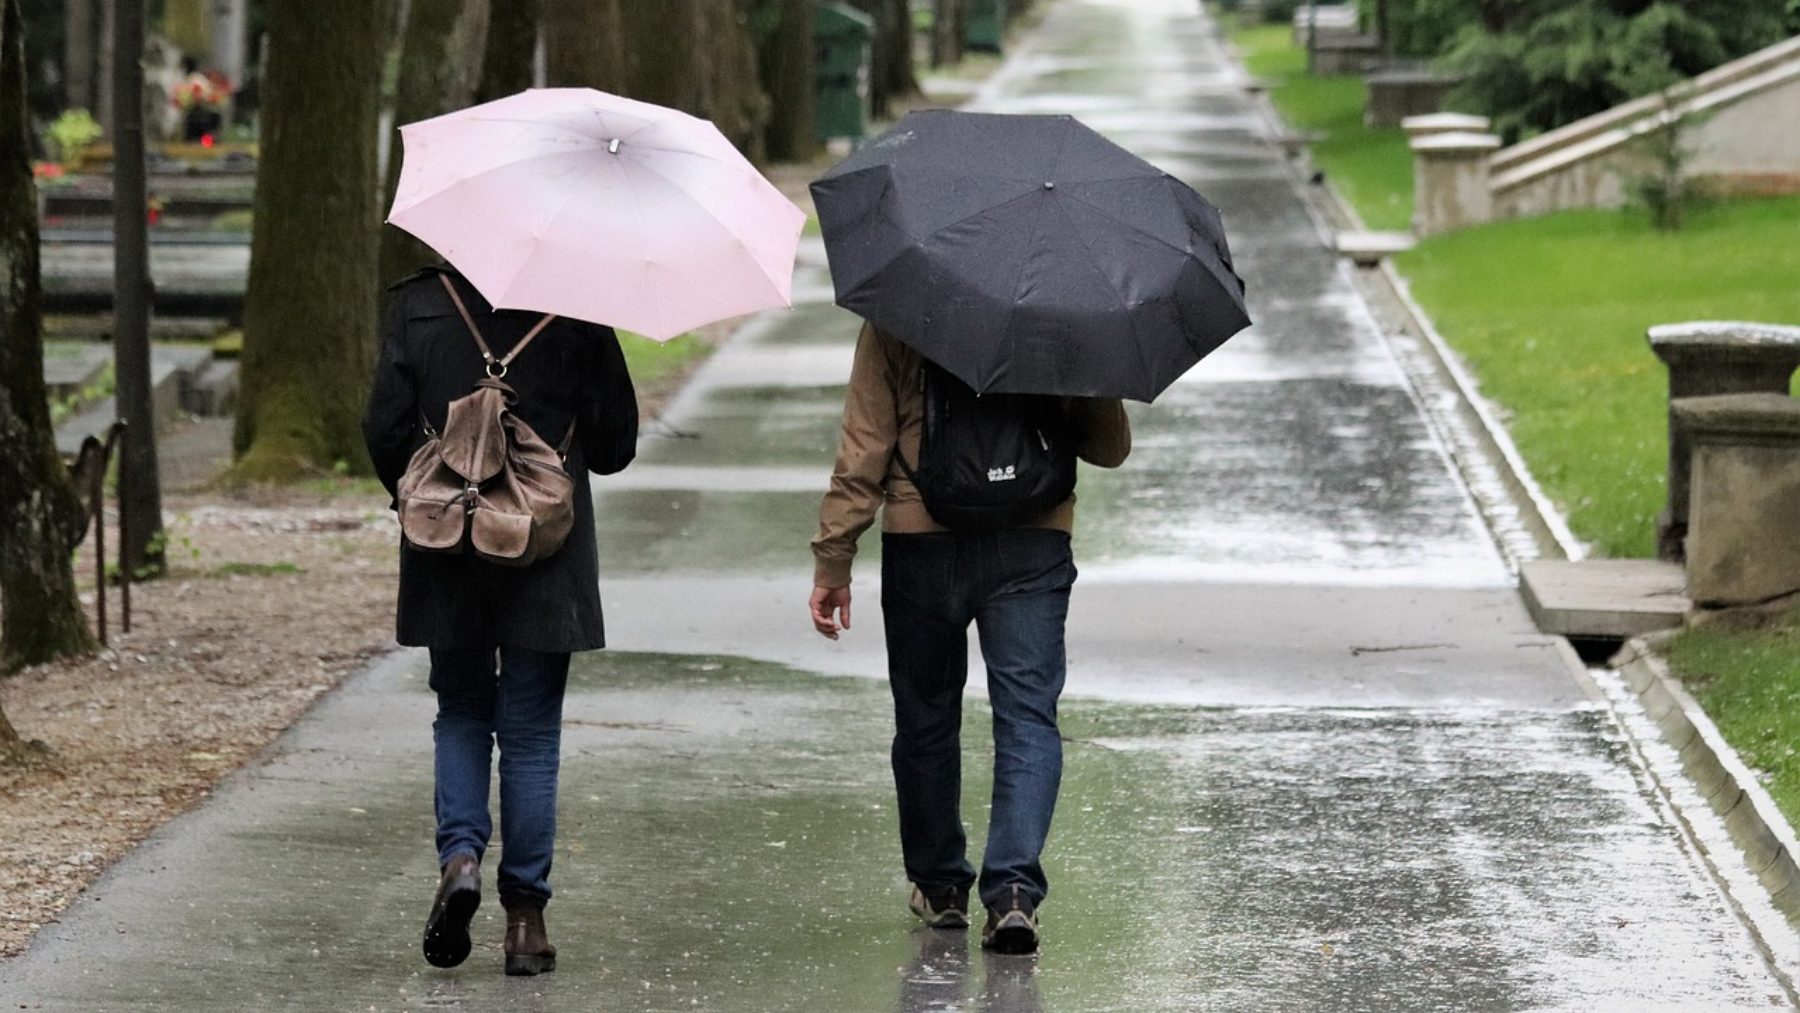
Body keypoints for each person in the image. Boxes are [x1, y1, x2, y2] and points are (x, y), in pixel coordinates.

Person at [809, 322, 1130, 954]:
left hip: (920, 539)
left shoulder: (898, 309)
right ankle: (1012, 891)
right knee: (1027, 718)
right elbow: (1109, 447)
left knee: (926, 716)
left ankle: (941, 886)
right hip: (1032, 538)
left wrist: (834, 556)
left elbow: (865, 445)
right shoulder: (1065, 308)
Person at [362, 264, 638, 976]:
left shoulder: (418, 303)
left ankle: (459, 857)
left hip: (443, 540)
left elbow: (384, 428)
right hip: (546, 548)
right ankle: (525, 920)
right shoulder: (578, 306)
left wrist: (434, 486)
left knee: (459, 708)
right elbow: (614, 446)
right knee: (531, 730)